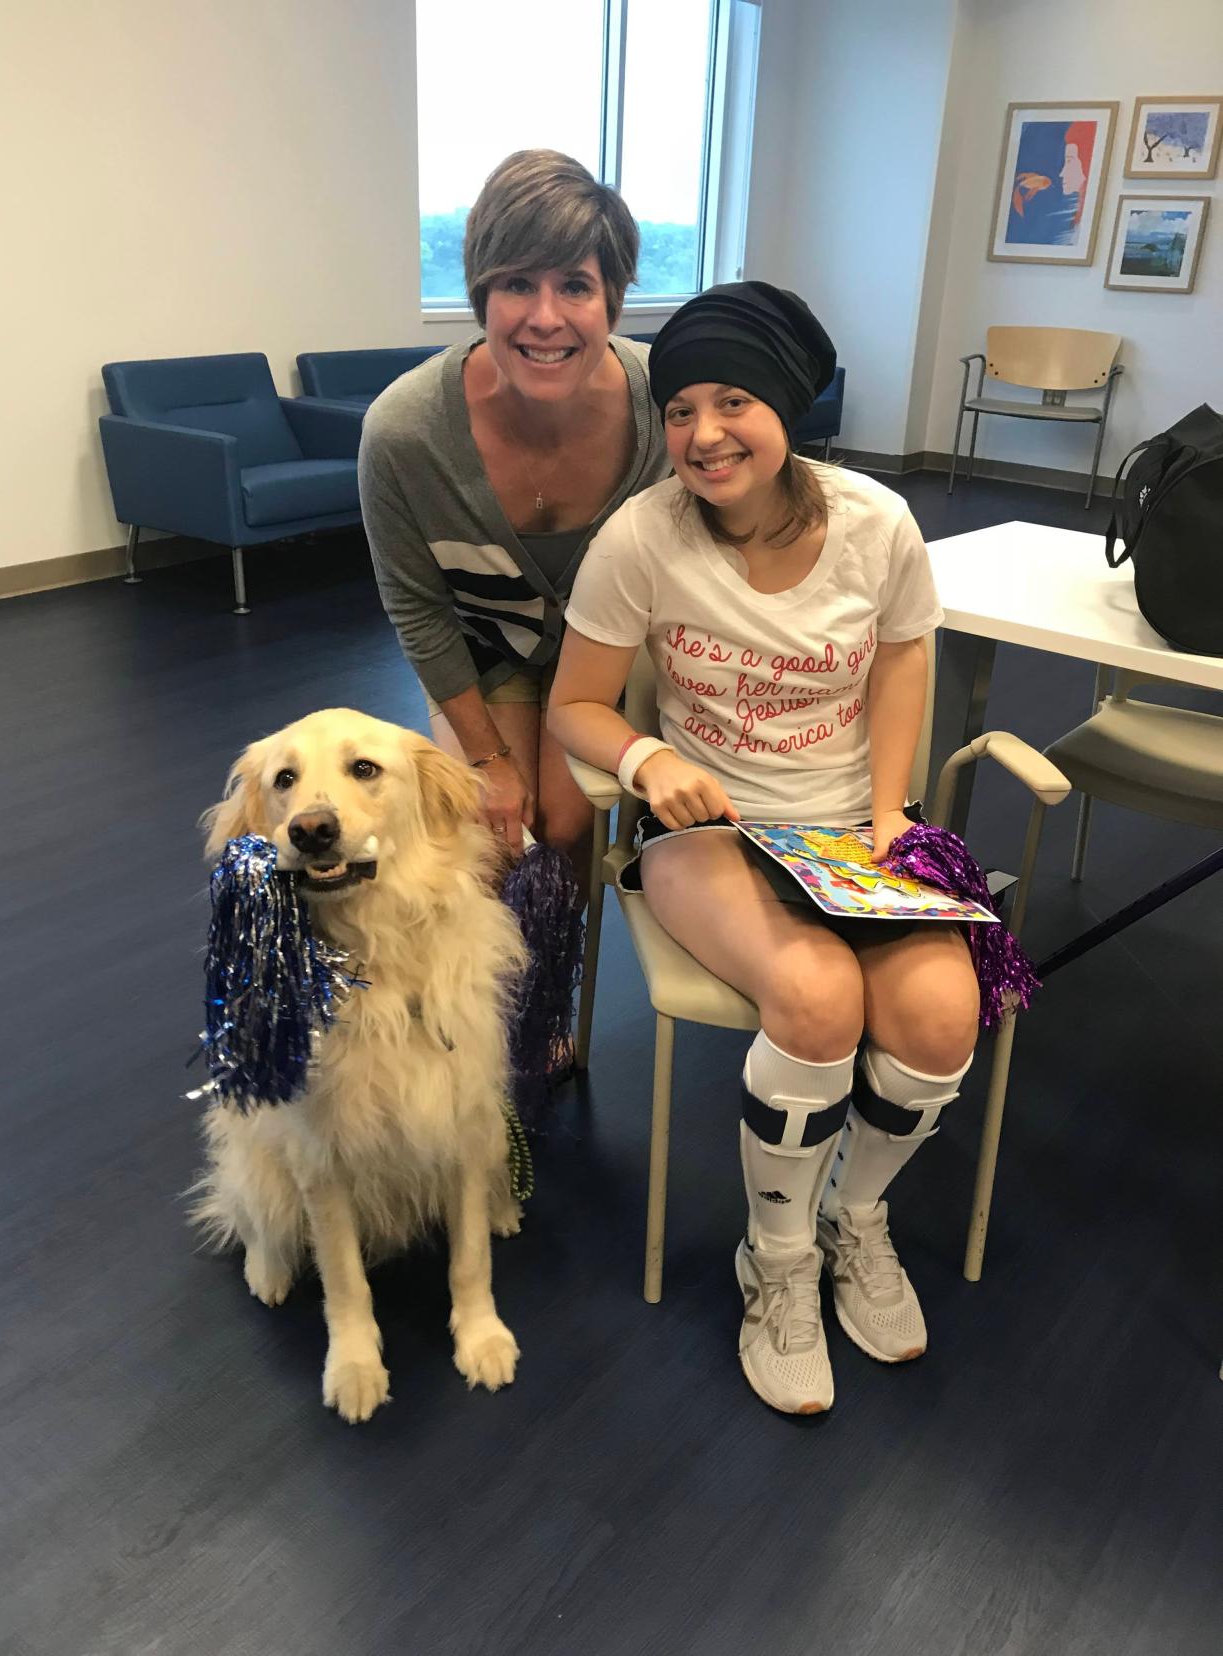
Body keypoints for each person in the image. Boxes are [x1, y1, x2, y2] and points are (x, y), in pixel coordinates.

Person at [546, 282, 980, 1416]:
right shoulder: (642, 536)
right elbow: (576, 704)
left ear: (789, 409)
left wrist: (891, 812)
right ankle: (777, 1261)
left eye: (733, 401)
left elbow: (900, 660)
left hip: (847, 833)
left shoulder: (879, 524)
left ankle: (858, 1219)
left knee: (942, 1016)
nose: (703, 435)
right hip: (711, 836)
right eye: (679, 409)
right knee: (817, 993)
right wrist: (646, 762)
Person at [360, 150, 668, 889]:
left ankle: (551, 994)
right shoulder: (406, 433)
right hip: (483, 645)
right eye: (517, 284)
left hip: (605, 651)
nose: (545, 317)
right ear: (480, 293)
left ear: (615, 300)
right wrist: (491, 762)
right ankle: (492, 998)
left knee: (565, 831)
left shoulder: (665, 404)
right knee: (497, 833)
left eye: (575, 286)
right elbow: (418, 608)